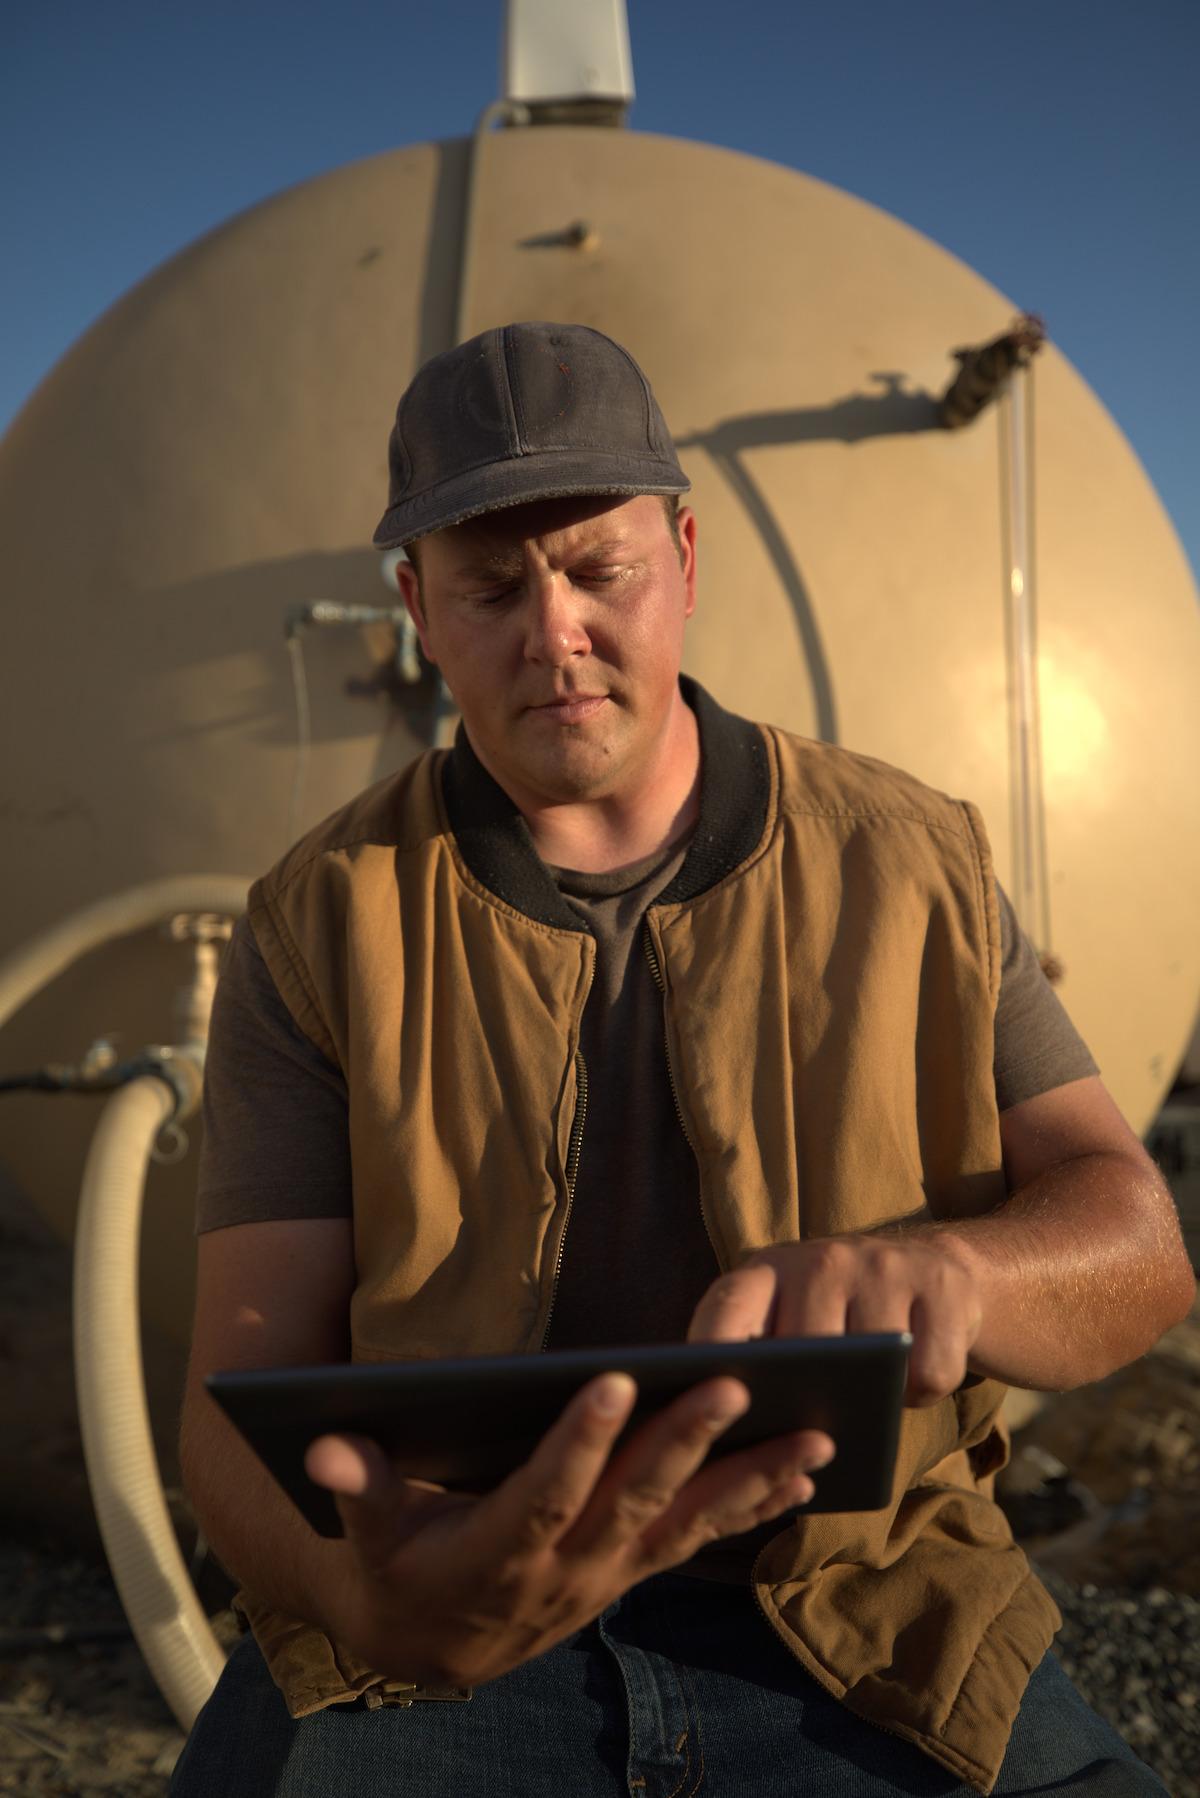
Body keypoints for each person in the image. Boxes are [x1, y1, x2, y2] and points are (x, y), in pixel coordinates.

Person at [172, 322, 1194, 1797]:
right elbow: (232, 1403)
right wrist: (363, 1598)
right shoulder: (317, 923)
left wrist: (967, 1277)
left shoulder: (915, 863)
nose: (556, 632)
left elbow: (1142, 1243)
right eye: (489, 587)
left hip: (871, 1618)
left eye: (602, 569)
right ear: (416, 609)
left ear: (687, 560)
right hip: (456, 1629)